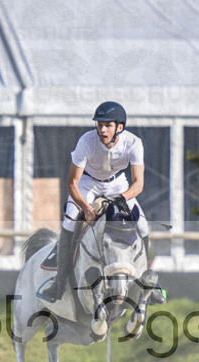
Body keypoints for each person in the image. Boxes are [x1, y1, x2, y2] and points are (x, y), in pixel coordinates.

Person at [39, 101, 148, 302]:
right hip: (87, 184)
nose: (102, 130)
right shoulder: (86, 142)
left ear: (119, 127)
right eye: (99, 125)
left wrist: (121, 199)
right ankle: (59, 281)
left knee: (142, 223)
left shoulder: (133, 143)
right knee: (71, 220)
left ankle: (146, 277)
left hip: (118, 185)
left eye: (107, 125)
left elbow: (138, 184)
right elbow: (72, 184)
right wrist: (86, 208)